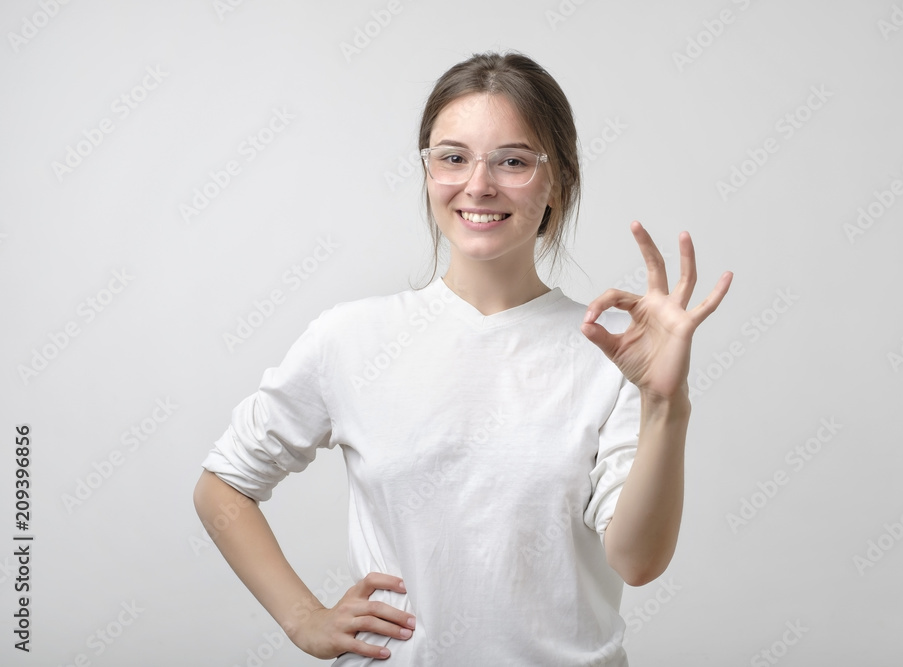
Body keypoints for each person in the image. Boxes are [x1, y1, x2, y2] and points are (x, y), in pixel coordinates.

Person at [193, 51, 732, 665]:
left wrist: (666, 404)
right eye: (452, 157)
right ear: (427, 172)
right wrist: (302, 619)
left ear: (559, 180)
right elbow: (223, 486)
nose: (478, 184)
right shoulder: (350, 338)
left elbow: (637, 562)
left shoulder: (613, 354)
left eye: (512, 161)